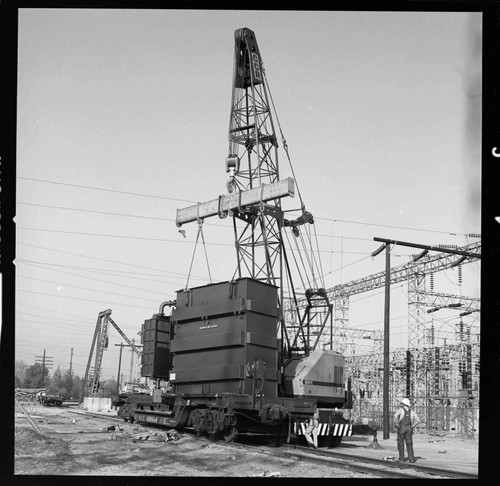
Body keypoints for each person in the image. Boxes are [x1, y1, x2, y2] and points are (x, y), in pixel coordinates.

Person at [393, 397, 421, 463]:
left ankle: (401, 458)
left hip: (402, 428)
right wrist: (412, 426)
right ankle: (411, 458)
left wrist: (396, 424)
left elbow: (395, 417)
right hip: (409, 428)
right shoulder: (412, 412)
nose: (401, 404)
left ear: (403, 404)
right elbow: (418, 420)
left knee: (400, 443)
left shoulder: (400, 410)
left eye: (402, 403)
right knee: (409, 443)